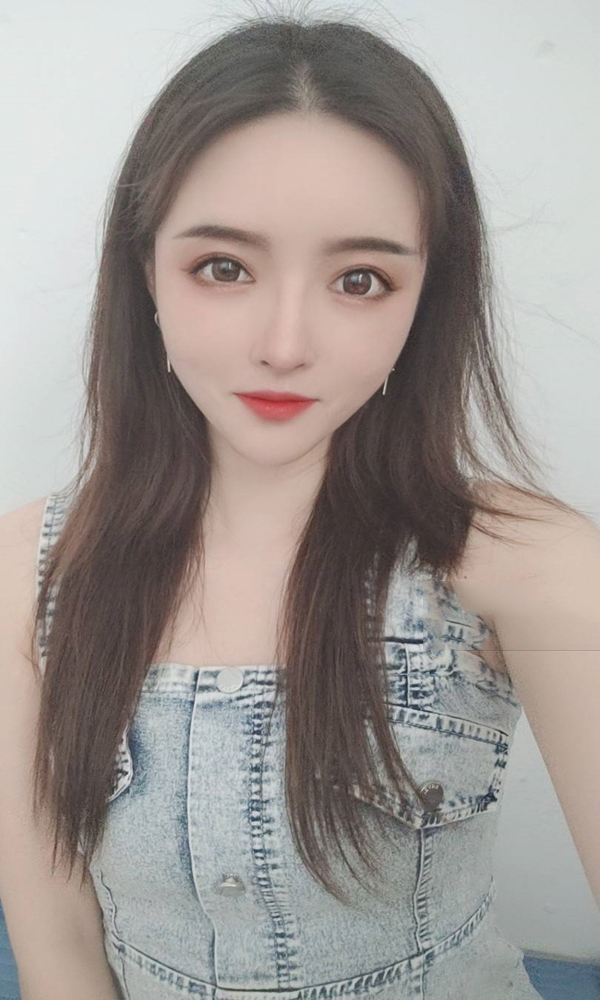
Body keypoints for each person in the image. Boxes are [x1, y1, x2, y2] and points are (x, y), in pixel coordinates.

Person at [1, 7, 598, 1000]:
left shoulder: (529, 565)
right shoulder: (27, 572)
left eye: (360, 280)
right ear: (145, 276)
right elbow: (59, 953)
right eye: (223, 267)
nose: (285, 344)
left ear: (426, 300)